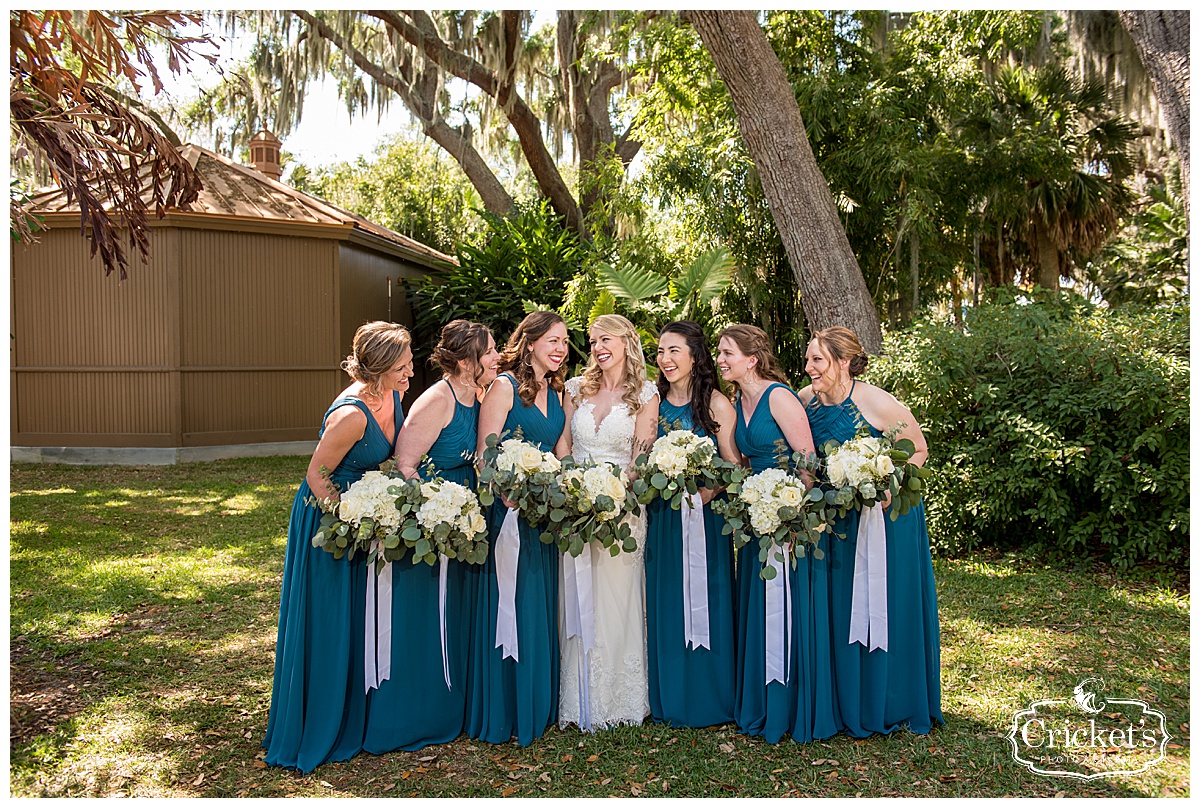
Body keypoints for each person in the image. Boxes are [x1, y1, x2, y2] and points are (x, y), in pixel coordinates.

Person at [263, 320, 414, 772]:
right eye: (403, 368)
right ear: (381, 367)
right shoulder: (351, 414)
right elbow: (317, 477)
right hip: (329, 515)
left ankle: (359, 710)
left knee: (357, 614)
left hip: (363, 508)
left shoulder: (391, 394)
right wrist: (352, 520)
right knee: (330, 616)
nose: (410, 375)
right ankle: (320, 719)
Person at [362, 320, 499, 753]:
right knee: (424, 620)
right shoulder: (437, 400)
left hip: (466, 521)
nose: (497, 357)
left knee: (456, 615)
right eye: (489, 351)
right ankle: (413, 716)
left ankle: (452, 709)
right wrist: (437, 513)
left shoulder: (478, 395)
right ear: (464, 362)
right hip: (434, 525)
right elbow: (404, 466)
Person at [799, 326, 943, 737]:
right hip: (833, 523)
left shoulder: (876, 402)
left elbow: (917, 448)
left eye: (818, 360)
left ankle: (890, 698)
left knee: (885, 601)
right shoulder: (805, 401)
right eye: (808, 360)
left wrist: (886, 484)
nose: (809, 368)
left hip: (885, 521)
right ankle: (845, 699)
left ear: (844, 362)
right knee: (839, 608)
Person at [717, 324, 838, 745]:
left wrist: (794, 517)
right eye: (719, 352)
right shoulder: (739, 400)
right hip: (757, 518)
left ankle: (795, 706)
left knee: (791, 605)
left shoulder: (778, 396)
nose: (721, 359)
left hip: (789, 521)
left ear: (752, 359)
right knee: (760, 603)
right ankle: (763, 701)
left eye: (728, 352)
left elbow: (807, 461)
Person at [467, 311, 570, 746]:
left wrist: (569, 489)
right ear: (528, 343)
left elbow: (562, 454)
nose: (561, 348)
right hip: (509, 513)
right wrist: (508, 491)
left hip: (545, 515)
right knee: (513, 601)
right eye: (552, 340)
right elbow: (483, 456)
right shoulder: (504, 387)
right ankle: (510, 706)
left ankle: (540, 703)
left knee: (539, 603)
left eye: (565, 341)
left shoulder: (557, 390)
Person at [556, 313, 658, 731]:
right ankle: (576, 698)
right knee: (576, 597)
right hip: (574, 506)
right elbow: (563, 441)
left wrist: (613, 493)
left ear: (626, 341)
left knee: (618, 599)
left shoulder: (646, 395)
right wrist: (574, 485)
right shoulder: (576, 389)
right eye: (593, 340)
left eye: (605, 339)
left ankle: (619, 699)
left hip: (624, 509)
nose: (597, 347)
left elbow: (641, 455)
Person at [644, 321, 740, 728]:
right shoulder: (654, 403)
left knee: (710, 595)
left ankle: (711, 697)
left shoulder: (717, 403)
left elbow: (734, 464)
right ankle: (672, 697)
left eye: (673, 351)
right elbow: (640, 460)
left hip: (705, 517)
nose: (665, 359)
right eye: (661, 352)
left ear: (695, 357)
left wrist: (707, 493)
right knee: (667, 599)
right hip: (665, 518)